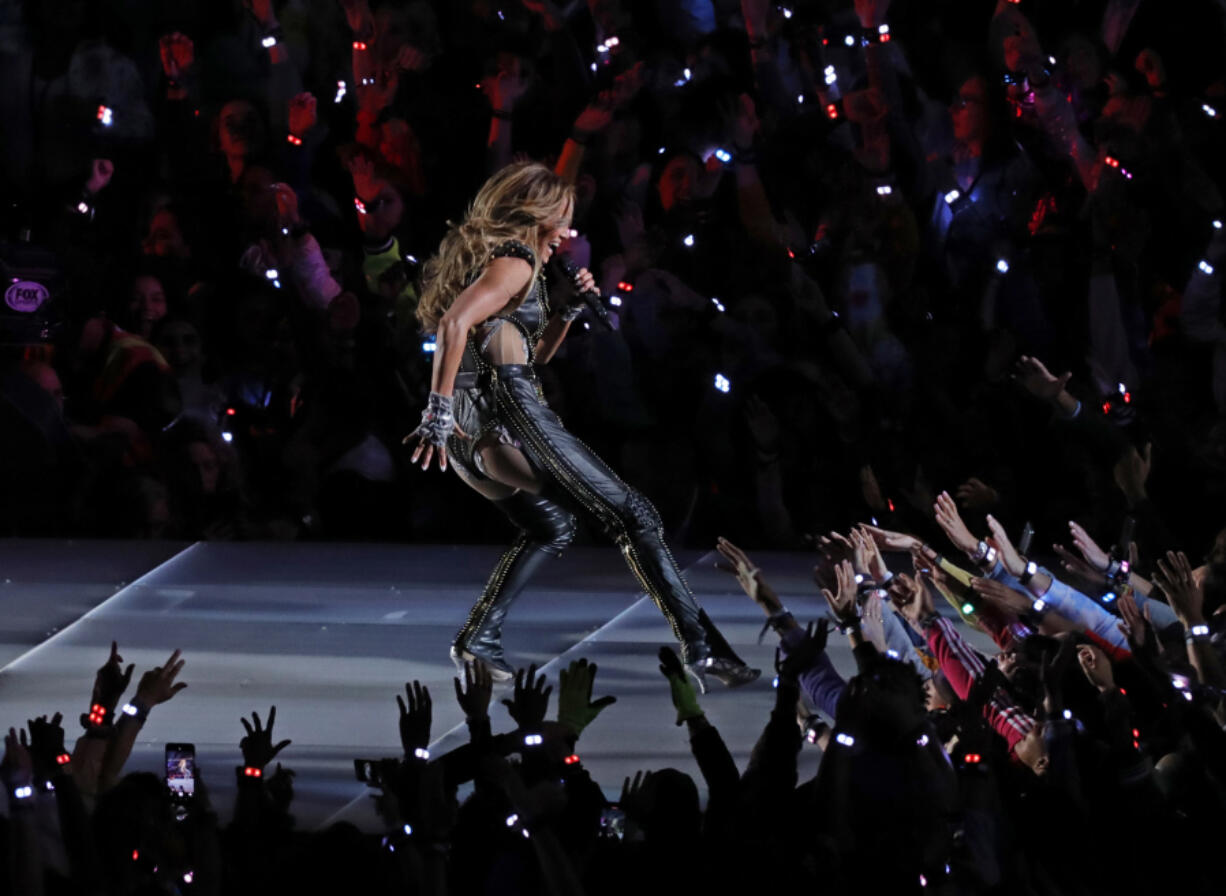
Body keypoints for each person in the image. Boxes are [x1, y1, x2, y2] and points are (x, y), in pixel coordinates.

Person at [405, 160, 758, 692]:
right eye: (563, 220)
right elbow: (455, 323)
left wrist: (565, 311)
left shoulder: (505, 265)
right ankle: (702, 649)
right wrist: (436, 413)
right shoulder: (516, 261)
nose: (568, 235)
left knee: (555, 525)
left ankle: (479, 638)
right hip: (509, 418)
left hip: (482, 434)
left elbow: (531, 354)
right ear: (539, 217)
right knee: (634, 515)